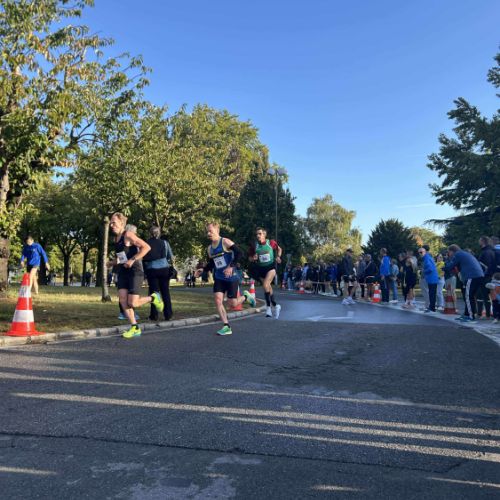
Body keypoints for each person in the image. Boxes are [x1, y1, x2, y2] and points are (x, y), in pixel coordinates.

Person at [108, 212, 164, 339]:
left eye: (114, 223)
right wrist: (111, 263)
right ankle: (135, 327)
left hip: (135, 272)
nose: (111, 225)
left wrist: (133, 260)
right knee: (123, 300)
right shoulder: (116, 239)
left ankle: (154, 298)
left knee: (133, 303)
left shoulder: (128, 235)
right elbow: (122, 258)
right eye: (110, 223)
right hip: (123, 272)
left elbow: (146, 247)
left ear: (121, 223)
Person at [195, 222, 256, 335]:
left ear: (217, 231)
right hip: (219, 277)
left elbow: (239, 253)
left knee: (232, 304)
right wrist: (203, 269)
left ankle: (246, 296)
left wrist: (231, 266)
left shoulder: (225, 242)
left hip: (231, 277)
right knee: (218, 300)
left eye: (210, 231)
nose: (208, 234)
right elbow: (212, 263)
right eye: (207, 232)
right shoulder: (209, 249)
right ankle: (226, 326)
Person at [248, 227, 283, 318]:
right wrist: (253, 258)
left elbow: (279, 249)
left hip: (271, 267)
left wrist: (278, 257)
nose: (258, 236)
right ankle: (275, 305)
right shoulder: (254, 246)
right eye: (257, 234)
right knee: (267, 287)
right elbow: (250, 258)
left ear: (264, 234)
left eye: (260, 234)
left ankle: (268, 308)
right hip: (261, 269)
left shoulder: (271, 243)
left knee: (265, 284)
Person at [444, 244, 484, 323]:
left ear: (452, 251)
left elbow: (451, 265)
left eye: (449, 252)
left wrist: (444, 267)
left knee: (468, 296)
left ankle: (470, 316)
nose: (449, 254)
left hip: (471, 276)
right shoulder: (464, 253)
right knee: (470, 296)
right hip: (478, 275)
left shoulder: (458, 254)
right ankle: (467, 314)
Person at [143, 226, 174, 322]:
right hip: (164, 269)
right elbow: (170, 256)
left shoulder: (146, 243)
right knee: (165, 292)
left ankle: (154, 315)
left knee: (154, 293)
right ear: (159, 233)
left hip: (152, 269)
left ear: (150, 233)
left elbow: (144, 258)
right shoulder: (165, 243)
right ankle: (168, 314)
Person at [477, 236, 496, 319]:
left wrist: (484, 273)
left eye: (480, 240)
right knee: (489, 295)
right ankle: (488, 314)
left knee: (482, 295)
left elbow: (486, 265)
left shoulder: (485, 252)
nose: (479, 242)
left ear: (483, 241)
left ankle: (484, 314)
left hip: (485, 276)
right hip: (490, 276)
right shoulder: (492, 251)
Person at [419, 247, 439, 313]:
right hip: (432, 278)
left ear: (425, 252)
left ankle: (432, 308)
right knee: (431, 293)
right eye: (419, 252)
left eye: (421, 252)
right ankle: (431, 307)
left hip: (432, 279)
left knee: (432, 294)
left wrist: (423, 271)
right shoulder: (428, 258)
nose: (420, 254)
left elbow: (431, 269)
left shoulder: (427, 258)